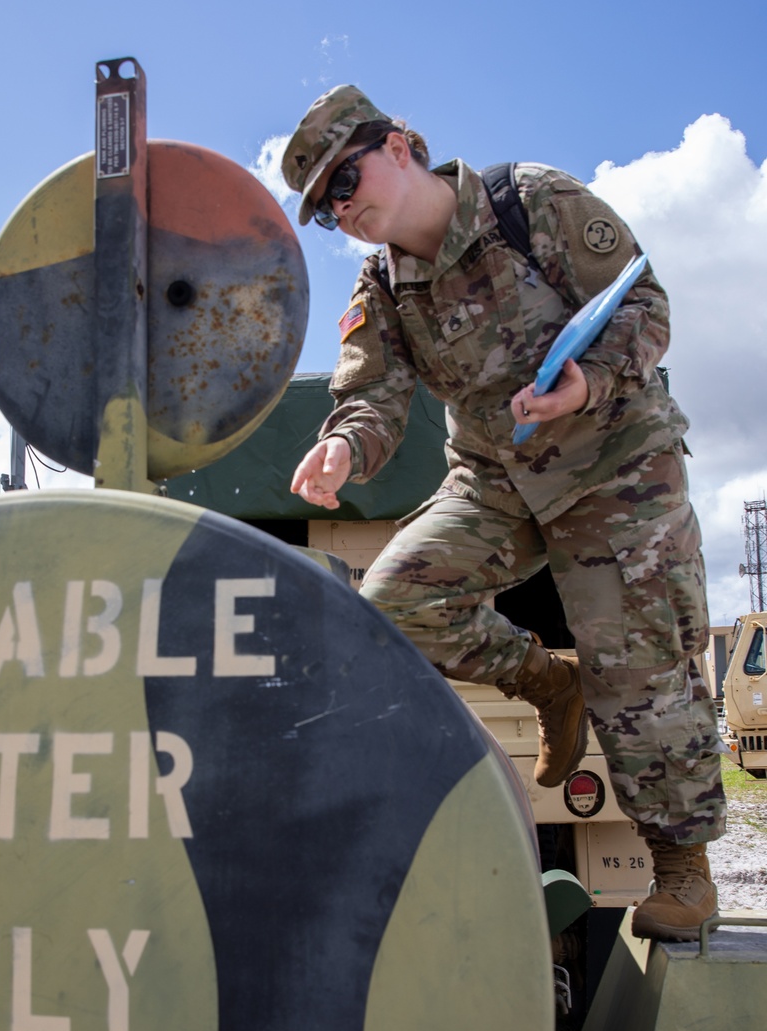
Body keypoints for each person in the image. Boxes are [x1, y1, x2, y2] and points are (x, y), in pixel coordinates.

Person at [282, 85, 726, 942]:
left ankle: (681, 865)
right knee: (393, 601)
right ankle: (547, 683)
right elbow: (370, 394)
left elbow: (646, 306)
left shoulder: (531, 205)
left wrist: (586, 383)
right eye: (325, 206)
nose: (344, 210)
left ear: (402, 144)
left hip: (613, 467)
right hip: (495, 478)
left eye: (347, 178)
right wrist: (345, 446)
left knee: (640, 668)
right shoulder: (381, 287)